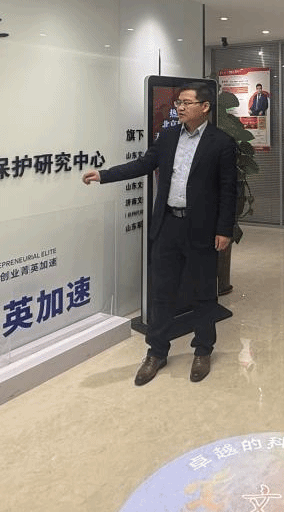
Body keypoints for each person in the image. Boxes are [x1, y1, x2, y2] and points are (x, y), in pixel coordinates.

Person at [83, 81, 237, 386]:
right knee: (162, 292)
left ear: (205, 107)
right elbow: (144, 164)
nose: (180, 107)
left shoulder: (221, 142)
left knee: (204, 292)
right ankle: (156, 352)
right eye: (178, 103)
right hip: (167, 225)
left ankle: (203, 349)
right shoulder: (167, 137)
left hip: (202, 229)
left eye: (187, 102)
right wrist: (104, 175)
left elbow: (228, 190)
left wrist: (224, 230)